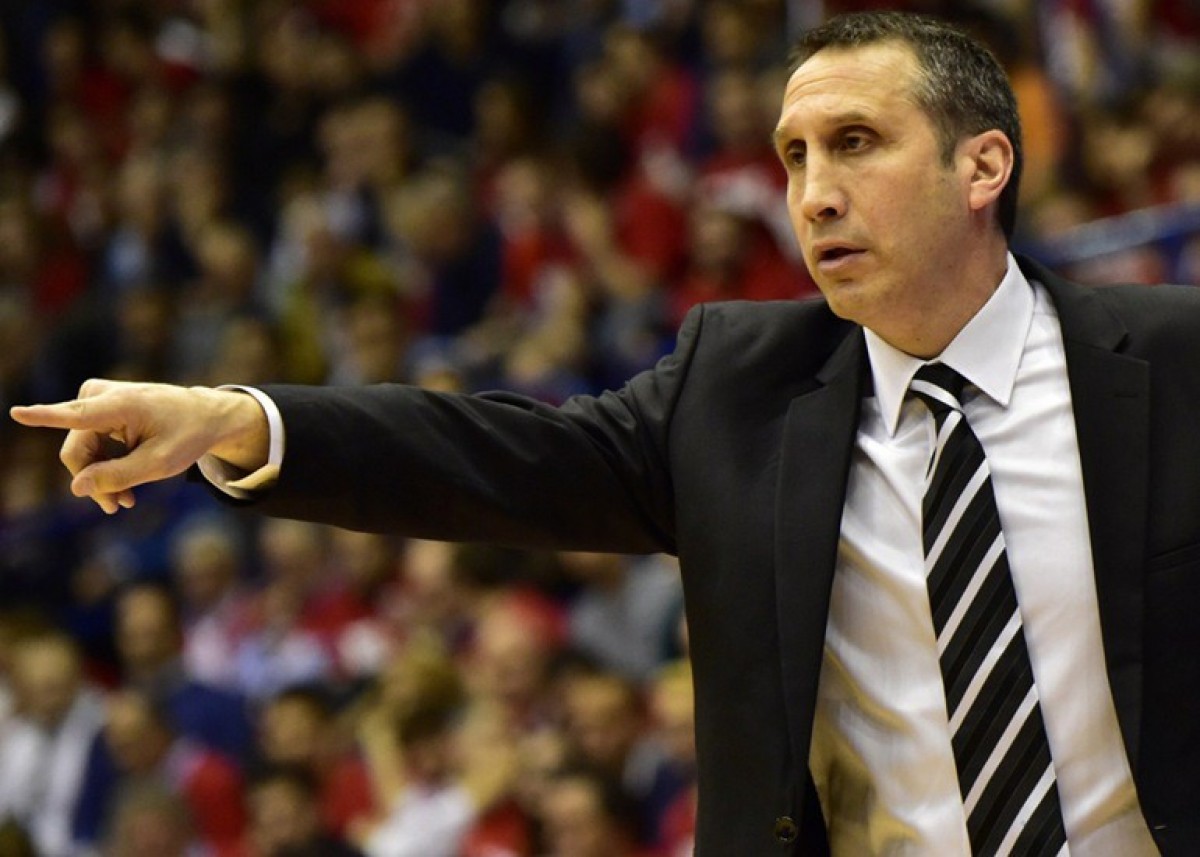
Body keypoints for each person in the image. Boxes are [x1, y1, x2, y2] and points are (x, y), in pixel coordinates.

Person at [10, 10, 1196, 855]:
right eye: (792, 157)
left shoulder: (1174, 362)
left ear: (984, 164)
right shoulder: (741, 386)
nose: (813, 194)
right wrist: (236, 417)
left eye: (855, 144)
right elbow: (494, 458)